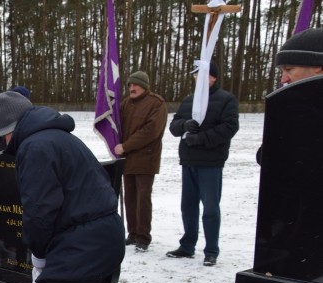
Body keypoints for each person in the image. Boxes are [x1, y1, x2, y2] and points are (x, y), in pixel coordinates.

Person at [0, 91, 125, 283]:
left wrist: (38, 254)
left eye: (2, 136)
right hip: (97, 239)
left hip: (84, 245)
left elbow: (40, 210)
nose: (4, 143)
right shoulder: (56, 137)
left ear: (9, 130)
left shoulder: (35, 147)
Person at [166, 61, 239, 266]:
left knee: (210, 208)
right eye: (195, 75)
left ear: (213, 77)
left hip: (211, 162)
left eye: (201, 75)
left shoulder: (226, 100)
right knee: (188, 206)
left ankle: (211, 250)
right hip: (188, 160)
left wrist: (202, 139)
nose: (196, 79)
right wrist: (183, 125)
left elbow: (229, 127)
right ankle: (188, 245)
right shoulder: (188, 100)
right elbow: (173, 126)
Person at [114, 71, 167, 252]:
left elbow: (151, 131)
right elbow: (117, 125)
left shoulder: (156, 103)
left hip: (146, 158)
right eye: (129, 85)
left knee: (143, 198)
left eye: (135, 85)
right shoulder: (126, 104)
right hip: (128, 159)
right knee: (130, 197)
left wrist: (126, 146)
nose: (131, 88)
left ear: (144, 86)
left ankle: (143, 236)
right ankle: (133, 233)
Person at [256, 28, 323, 165]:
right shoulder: (295, 106)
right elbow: (267, 157)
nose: (283, 80)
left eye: (289, 69)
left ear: (318, 67)